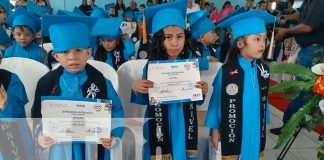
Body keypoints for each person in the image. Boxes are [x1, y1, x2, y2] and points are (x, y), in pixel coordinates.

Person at [31, 15, 124, 160]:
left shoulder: (101, 82)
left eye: (78, 50)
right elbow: (37, 116)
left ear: (88, 52)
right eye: (65, 52)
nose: (72, 57)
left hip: (93, 146)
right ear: (56, 56)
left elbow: (117, 111)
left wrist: (114, 136)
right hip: (60, 147)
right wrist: (40, 135)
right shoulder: (46, 84)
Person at [131, 1, 208, 159]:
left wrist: (202, 91)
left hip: (184, 121)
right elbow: (146, 98)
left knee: (182, 150)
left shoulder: (190, 65)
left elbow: (195, 98)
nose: (175, 43)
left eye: (179, 37)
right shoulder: (151, 67)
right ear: (159, 40)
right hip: (159, 120)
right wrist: (136, 87)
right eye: (168, 37)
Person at [205, 10, 277, 159]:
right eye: (257, 39)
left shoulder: (262, 70)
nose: (262, 44)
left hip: (254, 127)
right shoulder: (226, 72)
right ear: (240, 43)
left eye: (264, 39)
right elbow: (216, 102)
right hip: (233, 127)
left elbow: (263, 100)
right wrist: (215, 129)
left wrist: (264, 120)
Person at [270, 0, 324, 135]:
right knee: (309, 89)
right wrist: (286, 18)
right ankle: (303, 119)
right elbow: (301, 15)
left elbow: (308, 26)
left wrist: (286, 31)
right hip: (310, 49)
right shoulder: (309, 2)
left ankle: (289, 125)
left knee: (302, 88)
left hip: (315, 50)